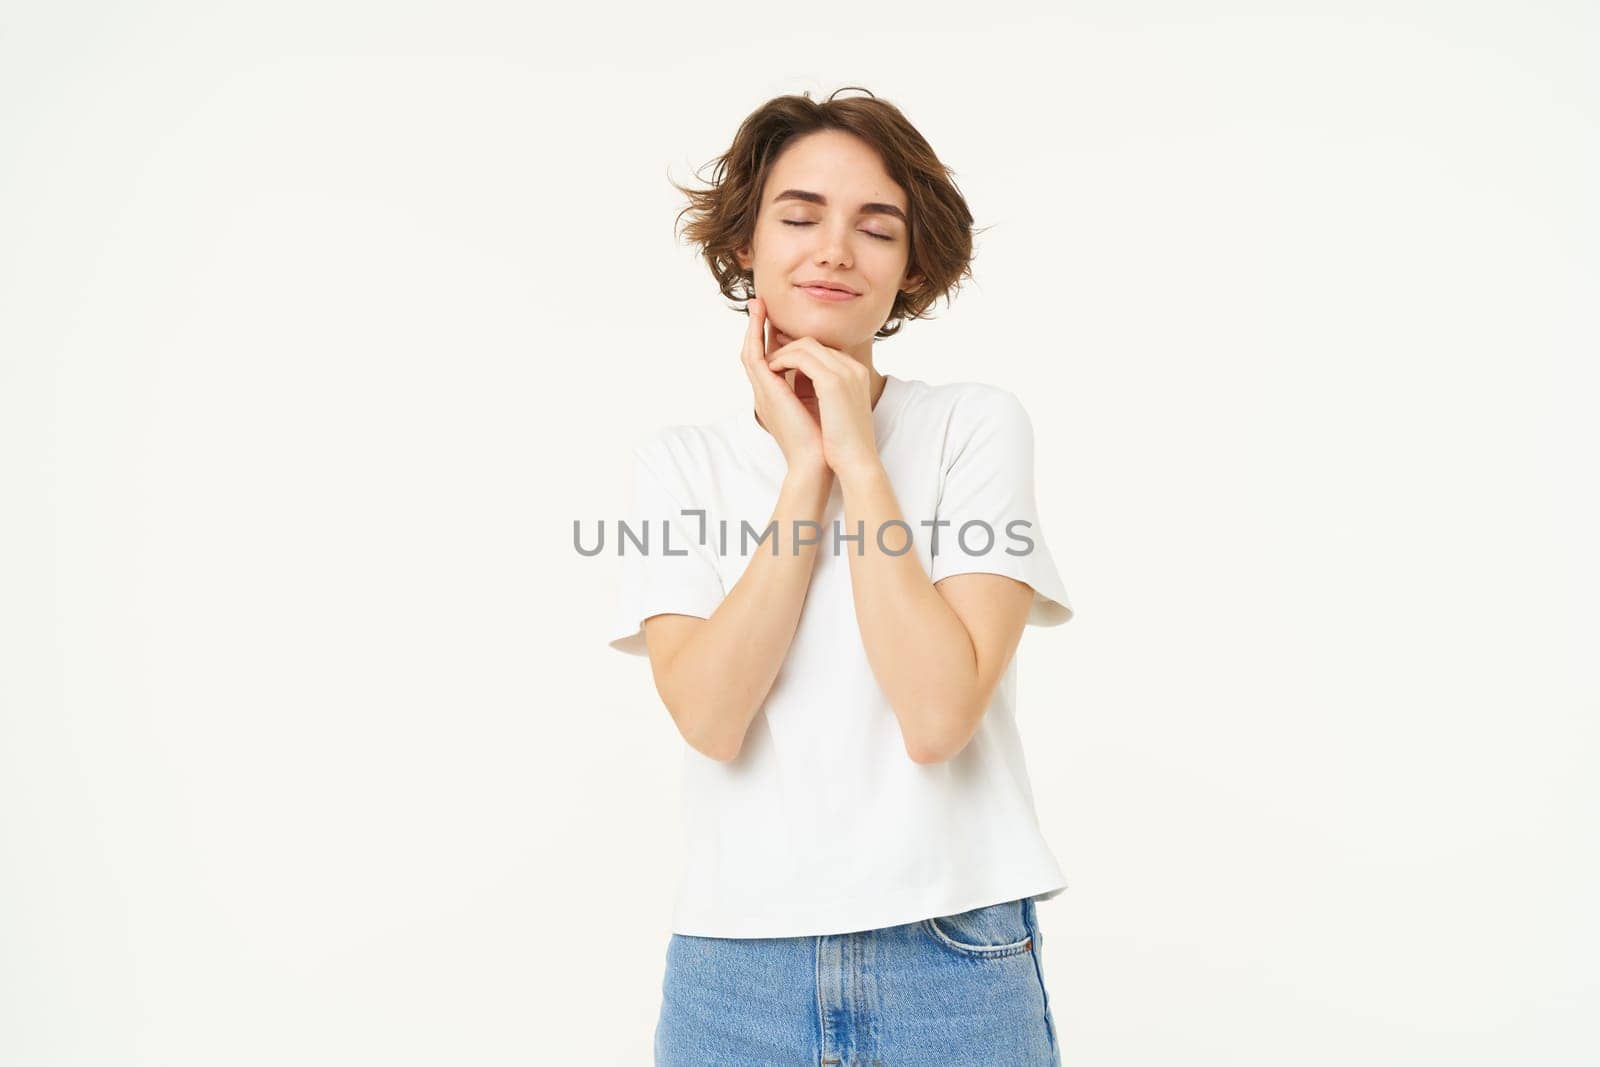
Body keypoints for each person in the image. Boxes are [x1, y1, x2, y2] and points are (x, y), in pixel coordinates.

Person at [608, 86, 1075, 1066]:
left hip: (952, 957)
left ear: (910, 268)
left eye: (877, 226)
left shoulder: (971, 427)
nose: (834, 249)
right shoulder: (678, 463)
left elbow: (936, 715)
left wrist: (859, 458)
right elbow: (710, 715)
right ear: (744, 243)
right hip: (733, 971)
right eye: (799, 215)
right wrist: (805, 468)